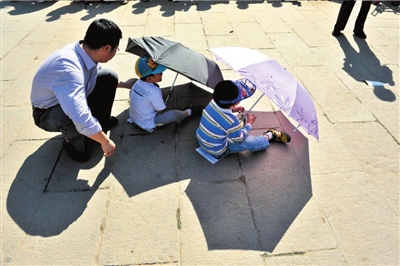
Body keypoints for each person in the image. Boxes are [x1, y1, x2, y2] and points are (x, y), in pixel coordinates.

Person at [31, 18, 136, 162]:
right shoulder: (68, 69)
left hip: (67, 98)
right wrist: (105, 142)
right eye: (116, 48)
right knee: (72, 117)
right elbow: (78, 113)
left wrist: (124, 84)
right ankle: (72, 143)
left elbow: (94, 74)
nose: (116, 51)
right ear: (106, 48)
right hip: (46, 112)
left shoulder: (83, 51)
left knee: (108, 77)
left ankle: (99, 124)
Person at [196, 79, 291, 159]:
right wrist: (249, 124)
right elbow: (240, 138)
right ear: (236, 103)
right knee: (250, 142)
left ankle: (234, 130)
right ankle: (269, 136)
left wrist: (232, 109)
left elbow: (219, 111)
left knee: (220, 126)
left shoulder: (212, 102)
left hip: (200, 139)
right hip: (218, 151)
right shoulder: (231, 120)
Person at [128, 56, 204, 132]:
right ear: (149, 79)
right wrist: (160, 100)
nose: (162, 74)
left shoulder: (137, 83)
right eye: (159, 73)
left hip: (135, 118)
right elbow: (160, 111)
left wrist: (163, 95)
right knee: (174, 114)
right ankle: (189, 112)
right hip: (147, 123)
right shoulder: (155, 91)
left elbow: (147, 96)